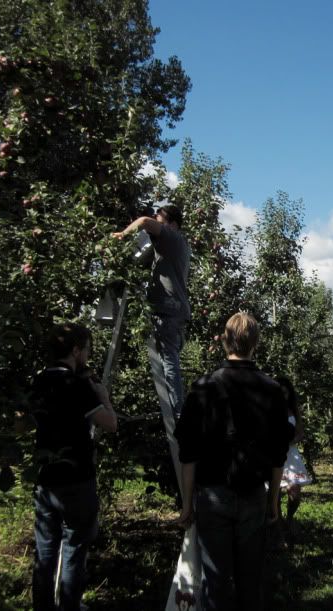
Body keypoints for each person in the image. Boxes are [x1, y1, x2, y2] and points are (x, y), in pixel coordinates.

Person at [174, 313, 291, 611]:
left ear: (225, 340)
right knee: (250, 580)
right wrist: (273, 500)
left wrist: (188, 504)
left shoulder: (204, 387)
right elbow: (279, 454)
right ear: (256, 343)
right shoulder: (272, 390)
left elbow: (188, 454)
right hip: (253, 492)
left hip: (212, 493)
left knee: (216, 580)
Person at [31, 322, 118, 611]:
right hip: (77, 478)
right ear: (76, 350)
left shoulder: (39, 382)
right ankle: (69, 606)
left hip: (46, 479)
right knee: (74, 547)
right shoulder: (77, 385)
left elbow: (22, 423)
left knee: (45, 552)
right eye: (88, 349)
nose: (89, 355)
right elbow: (110, 423)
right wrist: (103, 397)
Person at [111, 204, 190, 494]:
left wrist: (123, 234)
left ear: (172, 224)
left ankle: (178, 410)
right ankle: (178, 406)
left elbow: (144, 221)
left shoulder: (170, 237)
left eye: (161, 221)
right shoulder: (173, 246)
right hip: (173, 309)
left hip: (168, 310)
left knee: (169, 359)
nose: (157, 225)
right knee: (171, 357)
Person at [274, 376, 312, 546]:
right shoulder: (270, 408)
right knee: (274, 495)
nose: (283, 395)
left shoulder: (293, 410)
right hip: (274, 454)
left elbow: (300, 432)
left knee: (294, 491)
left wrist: (292, 440)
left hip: (290, 454)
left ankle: (289, 518)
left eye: (285, 392)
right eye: (280, 392)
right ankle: (279, 528)